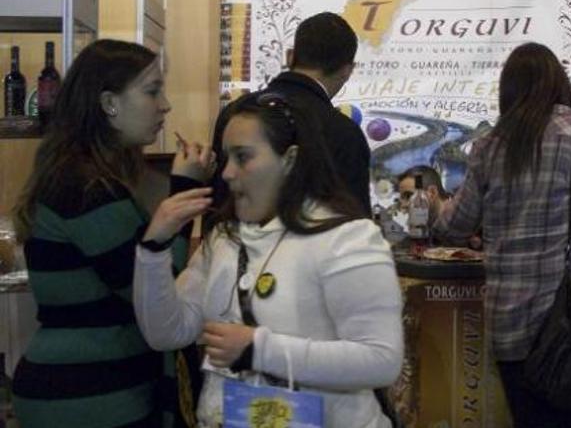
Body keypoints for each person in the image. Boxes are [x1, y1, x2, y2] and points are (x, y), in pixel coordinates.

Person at [133, 93, 403, 428]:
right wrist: (154, 249)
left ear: (290, 159)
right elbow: (166, 332)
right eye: (226, 157)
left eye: (243, 157)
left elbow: (380, 360)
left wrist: (259, 349)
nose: (228, 173)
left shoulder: (347, 239)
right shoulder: (223, 240)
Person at [11, 39, 212, 427]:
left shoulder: (83, 177)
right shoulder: (86, 188)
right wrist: (185, 192)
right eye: (152, 91)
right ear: (108, 104)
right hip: (89, 393)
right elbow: (154, 294)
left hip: (87, 385)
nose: (165, 105)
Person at [433, 42, 571, 427]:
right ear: (559, 82)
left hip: (508, 324)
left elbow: (456, 225)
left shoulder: (488, 147)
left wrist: (436, 208)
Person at [210, 11, 370, 217]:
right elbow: (355, 221)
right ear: (347, 70)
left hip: (239, 243)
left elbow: (219, 202)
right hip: (317, 247)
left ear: (290, 56)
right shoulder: (344, 132)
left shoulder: (237, 113)